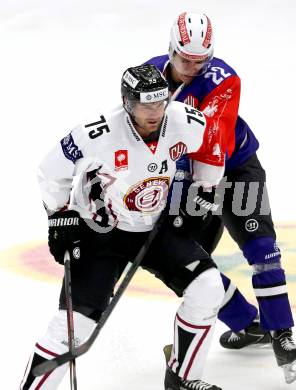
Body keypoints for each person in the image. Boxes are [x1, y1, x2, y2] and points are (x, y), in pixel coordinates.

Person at [20, 64, 226, 390]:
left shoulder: (185, 121)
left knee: (208, 287)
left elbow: (212, 146)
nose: (155, 112)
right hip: (100, 234)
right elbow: (50, 171)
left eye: (160, 103)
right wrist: (60, 218)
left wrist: (203, 190)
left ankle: (182, 377)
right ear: (127, 102)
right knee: (74, 329)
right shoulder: (96, 132)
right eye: (145, 105)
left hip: (154, 229)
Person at [144, 11, 296, 383]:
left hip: (233, 170)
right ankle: (244, 322)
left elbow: (214, 140)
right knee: (187, 265)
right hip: (183, 177)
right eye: (185, 59)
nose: (192, 67)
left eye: (200, 60)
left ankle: (281, 334)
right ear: (171, 49)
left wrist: (202, 190)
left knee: (263, 250)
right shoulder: (146, 76)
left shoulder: (223, 78)